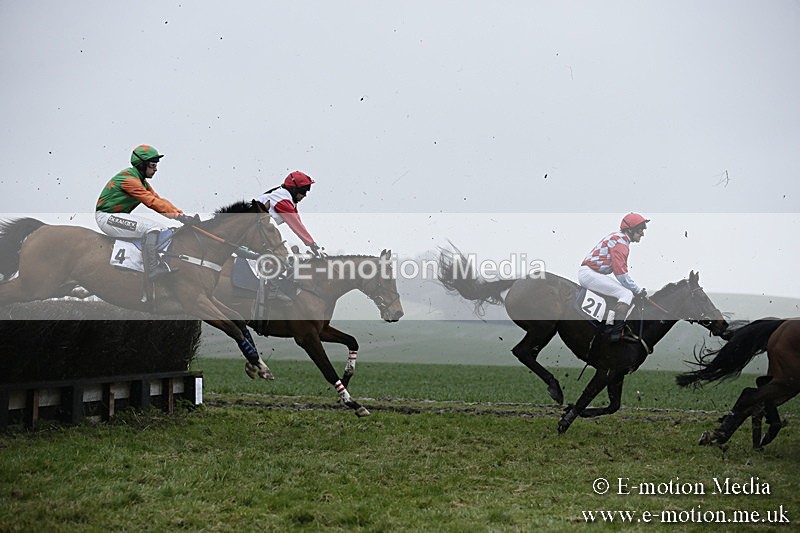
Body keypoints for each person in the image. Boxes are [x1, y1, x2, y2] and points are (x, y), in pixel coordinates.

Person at [96, 145, 192, 280]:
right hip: (107, 218)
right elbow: (151, 201)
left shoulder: (141, 181)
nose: (156, 169)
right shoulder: (129, 180)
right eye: (152, 165)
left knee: (162, 229)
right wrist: (178, 216)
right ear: (141, 165)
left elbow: (158, 199)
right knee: (154, 228)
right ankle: (152, 269)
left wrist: (182, 215)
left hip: (115, 216)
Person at [578, 213, 650, 342]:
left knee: (622, 291)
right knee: (626, 294)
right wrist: (638, 291)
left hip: (592, 273)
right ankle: (616, 332)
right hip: (590, 273)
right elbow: (621, 274)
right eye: (640, 230)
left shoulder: (619, 238)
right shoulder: (620, 243)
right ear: (630, 230)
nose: (642, 234)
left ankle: (609, 321)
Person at [257, 171, 322, 256]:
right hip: (251, 232)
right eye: (303, 191)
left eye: (306, 191)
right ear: (293, 189)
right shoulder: (282, 199)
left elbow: (298, 221)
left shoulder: (287, 198)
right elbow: (296, 225)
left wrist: (311, 244)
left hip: (260, 232)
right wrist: (312, 244)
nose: (305, 195)